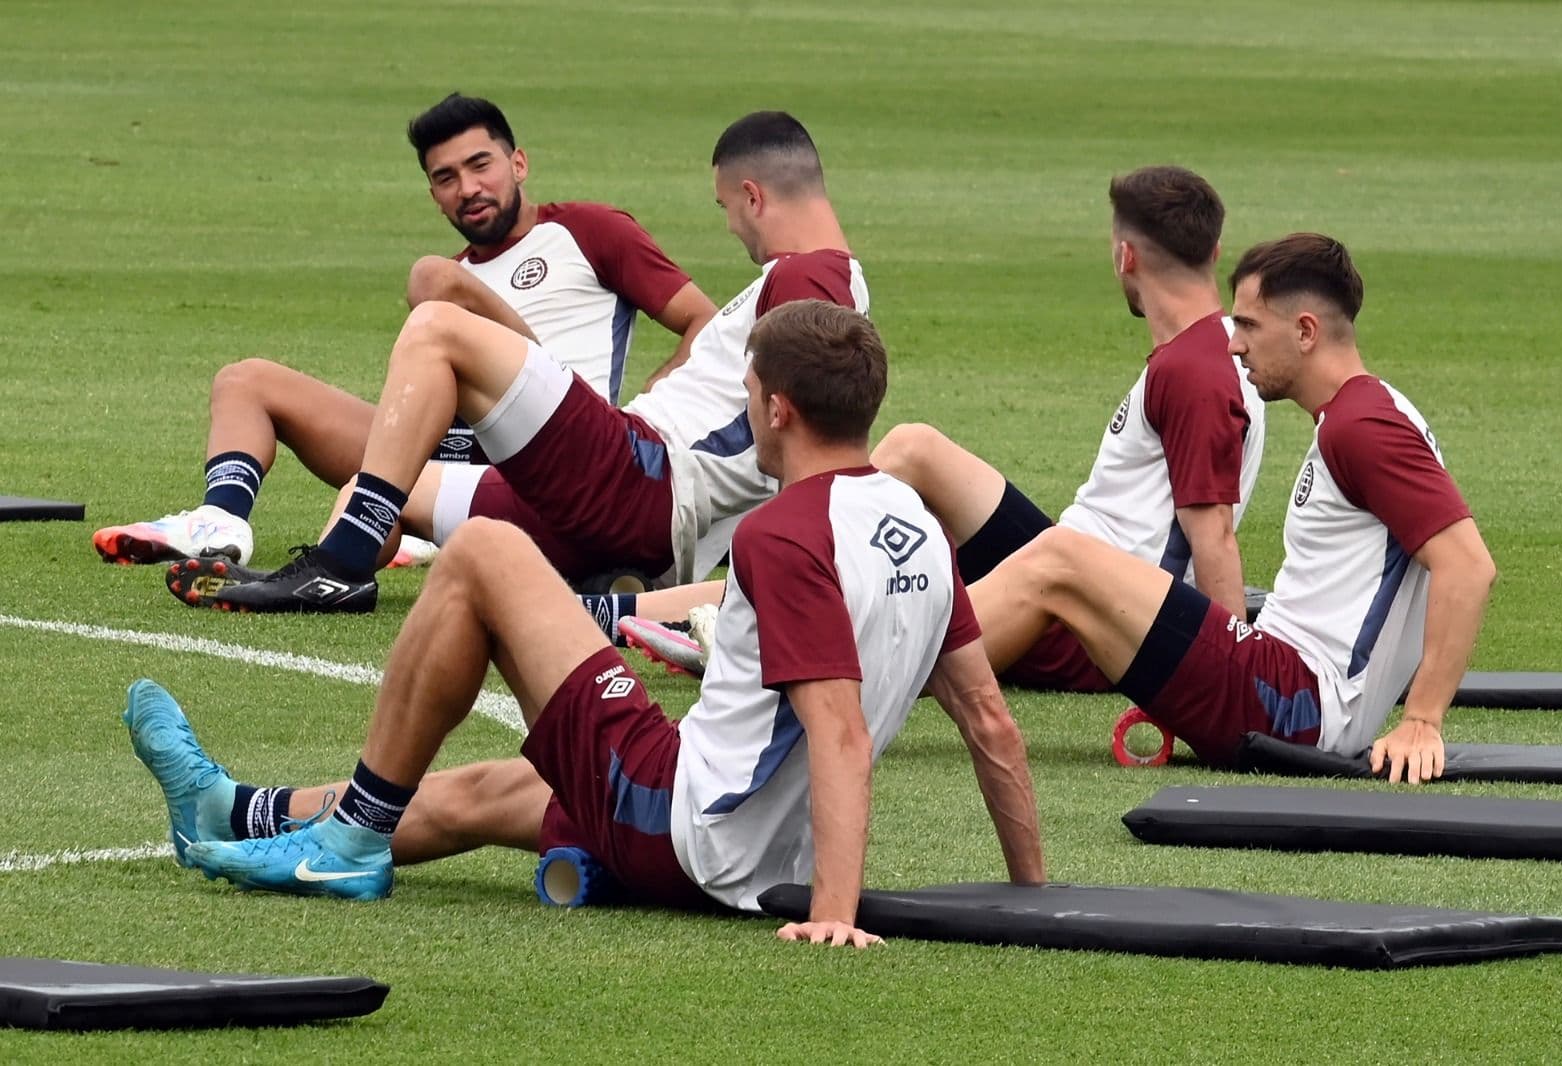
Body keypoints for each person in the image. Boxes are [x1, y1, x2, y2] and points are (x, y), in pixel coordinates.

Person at [126, 301, 1045, 947]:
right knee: (504, 789)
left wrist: (836, 912)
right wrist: (1035, 897)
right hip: (754, 843)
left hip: (691, 838)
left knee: (484, 552)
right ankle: (239, 810)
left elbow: (838, 732)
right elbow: (990, 723)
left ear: (776, 408)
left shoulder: (785, 532)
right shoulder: (917, 524)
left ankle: (349, 842)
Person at [174, 110, 868, 614]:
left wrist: (786, 561)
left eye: (726, 209)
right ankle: (597, 594)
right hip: (629, 488)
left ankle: (339, 569)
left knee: (437, 321)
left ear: (752, 196)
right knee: (384, 486)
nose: (730, 226)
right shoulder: (818, 280)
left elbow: (802, 428)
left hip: (643, 477)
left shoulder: (809, 277)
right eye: (446, 177)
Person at [619, 166, 1266, 684]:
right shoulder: (1220, 352)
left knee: (890, 579)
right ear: (1213, 250)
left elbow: (1213, 537)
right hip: (1068, 568)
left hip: (1084, 616)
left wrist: (1216, 676)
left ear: (1125, 257)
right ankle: (669, 611)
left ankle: (736, 625)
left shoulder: (1194, 371)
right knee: (914, 450)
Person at [94, 92, 716, 568]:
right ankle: (219, 524)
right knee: (245, 381)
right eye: (446, 178)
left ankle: (426, 529)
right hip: (454, 448)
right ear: (432, 195)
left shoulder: (587, 230)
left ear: (519, 163)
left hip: (559, 444)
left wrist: (644, 412)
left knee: (429, 281)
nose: (468, 189)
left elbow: (702, 324)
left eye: (481, 165)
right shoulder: (464, 274)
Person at [968, 234, 1495, 781]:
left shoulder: (1363, 427)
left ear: (1305, 331)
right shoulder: (1364, 412)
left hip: (1295, 704)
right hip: (1284, 685)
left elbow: (1468, 565)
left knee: (1059, 558)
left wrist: (1422, 721)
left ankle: (889, 671)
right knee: (1064, 565)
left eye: (1248, 326)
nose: (1234, 345)